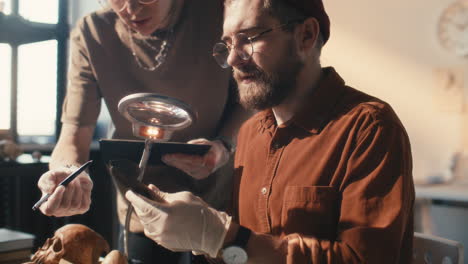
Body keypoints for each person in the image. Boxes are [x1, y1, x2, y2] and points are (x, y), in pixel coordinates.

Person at [125, 0, 416, 263]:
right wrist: (197, 232)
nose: (232, 60)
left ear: (306, 36)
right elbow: (238, 254)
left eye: (249, 38)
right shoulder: (251, 134)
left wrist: (224, 238)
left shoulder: (369, 129)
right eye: (227, 44)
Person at [36, 0, 250, 263]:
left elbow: (249, 98)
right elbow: (76, 128)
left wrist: (224, 144)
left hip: (216, 204)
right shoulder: (93, 31)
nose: (131, 9)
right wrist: (68, 172)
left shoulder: (220, 14)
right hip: (140, 205)